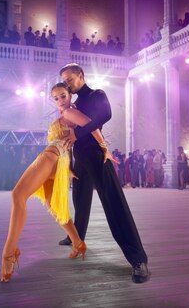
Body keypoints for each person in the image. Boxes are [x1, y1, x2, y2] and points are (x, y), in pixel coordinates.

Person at [0, 82, 118, 283]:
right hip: (59, 161)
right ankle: (78, 243)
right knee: (54, 207)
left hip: (51, 156)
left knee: (18, 195)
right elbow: (75, 139)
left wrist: (105, 148)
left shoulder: (71, 112)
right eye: (55, 98)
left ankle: (9, 254)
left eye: (63, 96)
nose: (60, 101)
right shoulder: (66, 114)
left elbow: (92, 126)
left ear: (70, 96)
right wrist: (69, 167)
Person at [58, 63, 149, 283]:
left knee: (114, 206)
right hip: (81, 157)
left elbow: (105, 115)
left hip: (98, 157)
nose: (67, 84)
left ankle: (138, 260)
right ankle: (76, 237)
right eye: (64, 81)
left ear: (81, 76)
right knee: (80, 198)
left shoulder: (97, 94)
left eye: (70, 80)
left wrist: (79, 134)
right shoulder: (75, 103)